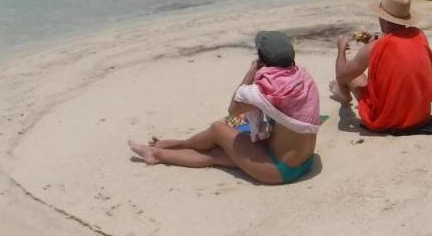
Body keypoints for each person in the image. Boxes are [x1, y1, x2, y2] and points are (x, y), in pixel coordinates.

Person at [128, 31, 320, 185]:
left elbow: (234, 109)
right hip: (304, 163)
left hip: (278, 170)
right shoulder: (302, 77)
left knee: (218, 129)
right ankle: (157, 154)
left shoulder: (267, 89)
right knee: (217, 155)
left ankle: (179, 144)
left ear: (262, 59)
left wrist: (252, 71)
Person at [330, 0, 432, 132]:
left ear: (382, 17)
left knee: (353, 74)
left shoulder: (375, 47)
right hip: (420, 115)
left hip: (386, 119)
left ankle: (344, 96)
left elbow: (341, 75)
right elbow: (398, 46)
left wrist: (341, 49)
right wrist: (376, 40)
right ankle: (344, 94)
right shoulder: (419, 35)